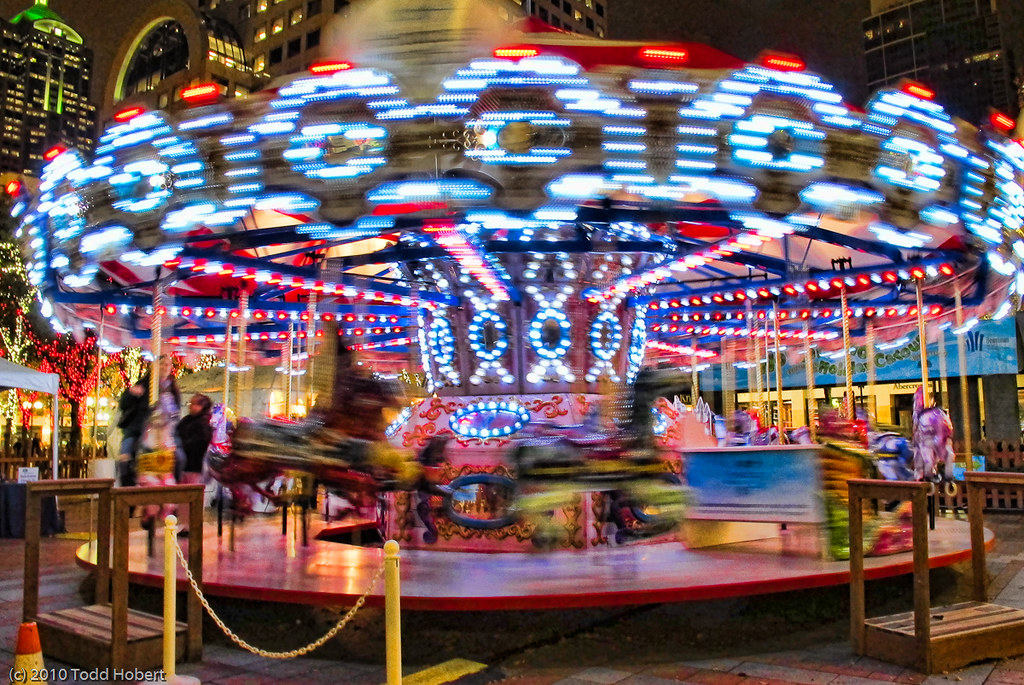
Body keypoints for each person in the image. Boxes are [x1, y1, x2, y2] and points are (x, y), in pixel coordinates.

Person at [116, 374, 150, 487]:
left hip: (154, 432)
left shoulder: (169, 387)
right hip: (136, 430)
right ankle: (126, 487)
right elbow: (123, 404)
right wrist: (131, 392)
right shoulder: (143, 384)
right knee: (125, 458)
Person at [176, 394, 213, 486]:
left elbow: (199, 442)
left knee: (190, 487)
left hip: (194, 464)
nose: (190, 406)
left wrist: (182, 445)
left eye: (193, 404)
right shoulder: (187, 420)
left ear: (201, 406)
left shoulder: (203, 423)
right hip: (184, 463)